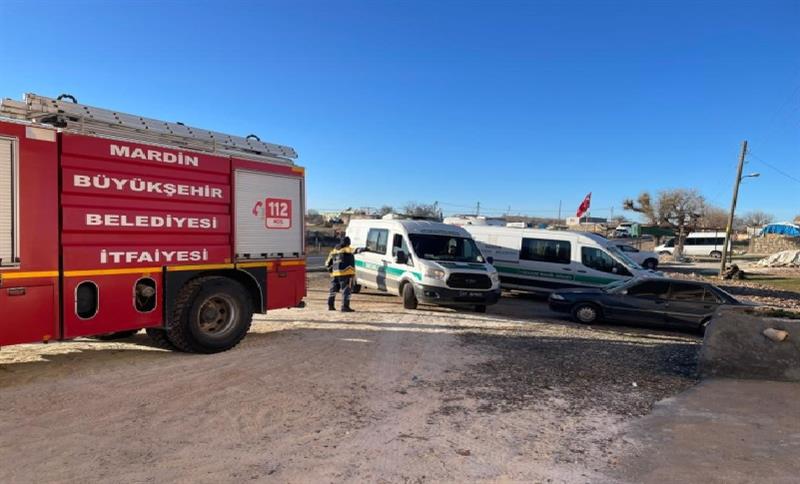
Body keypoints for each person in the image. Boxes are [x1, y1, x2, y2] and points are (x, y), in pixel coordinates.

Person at [325, 236, 356, 312]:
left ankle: (330, 305)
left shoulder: (334, 251)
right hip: (347, 274)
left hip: (336, 274)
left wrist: (331, 272)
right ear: (348, 243)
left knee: (333, 290)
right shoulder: (347, 249)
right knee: (346, 290)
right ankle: (345, 307)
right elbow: (356, 250)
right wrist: (366, 249)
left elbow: (327, 264)